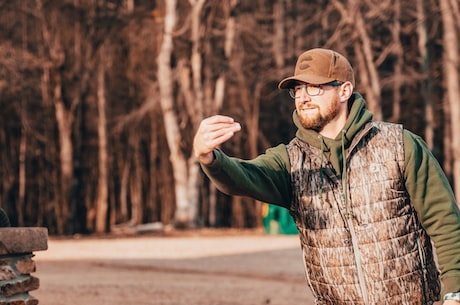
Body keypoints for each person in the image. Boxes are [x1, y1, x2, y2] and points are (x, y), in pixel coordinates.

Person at [193, 48, 460, 304]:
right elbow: (244, 176)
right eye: (297, 90)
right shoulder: (291, 160)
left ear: (345, 90)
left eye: (315, 87)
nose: (303, 97)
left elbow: (445, 222)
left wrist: (455, 293)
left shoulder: (400, 145)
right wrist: (210, 158)